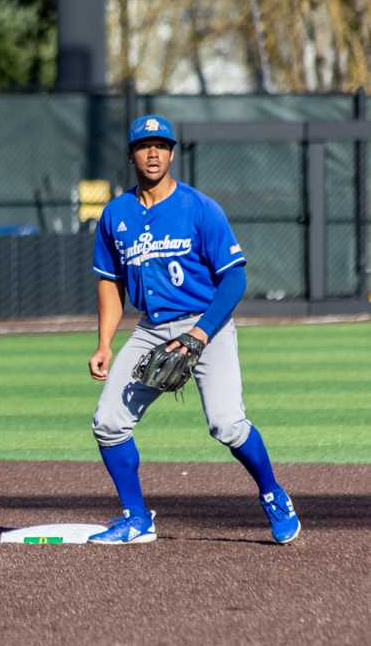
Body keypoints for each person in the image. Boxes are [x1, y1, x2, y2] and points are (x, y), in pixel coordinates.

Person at [86, 114, 300, 545]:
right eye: (145, 145)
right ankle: (137, 516)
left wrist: (199, 335)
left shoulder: (200, 208)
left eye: (162, 145)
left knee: (227, 424)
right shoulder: (116, 214)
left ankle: (274, 495)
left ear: (171, 153)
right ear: (131, 154)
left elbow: (234, 278)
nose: (153, 152)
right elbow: (109, 281)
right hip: (151, 329)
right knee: (108, 423)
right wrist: (105, 342)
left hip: (207, 325)